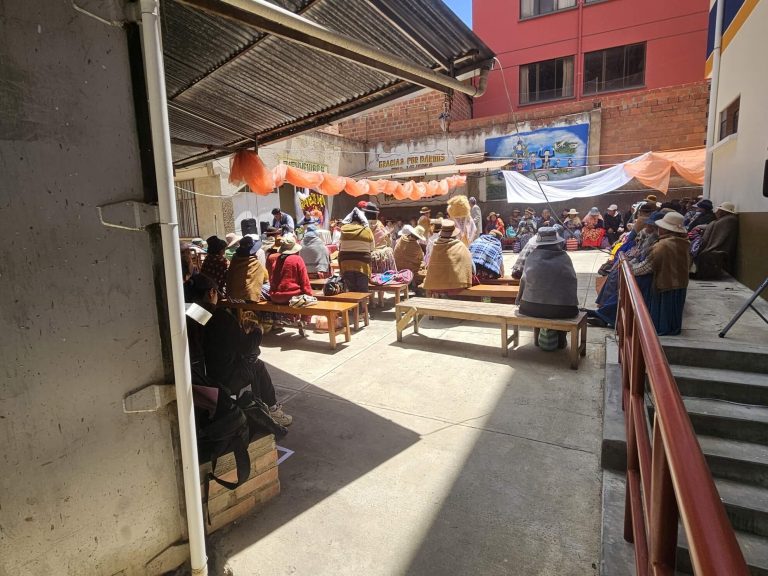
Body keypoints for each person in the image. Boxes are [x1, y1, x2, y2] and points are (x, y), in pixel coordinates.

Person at [186, 274, 292, 426]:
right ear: (211, 293)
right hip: (220, 379)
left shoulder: (191, 313)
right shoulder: (220, 317)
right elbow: (247, 347)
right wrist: (257, 331)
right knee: (257, 365)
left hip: (199, 377)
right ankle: (272, 409)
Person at [516, 227, 579, 349]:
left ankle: (537, 338)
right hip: (563, 309)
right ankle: (561, 338)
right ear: (556, 242)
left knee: (539, 306)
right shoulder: (564, 257)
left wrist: (519, 301)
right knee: (558, 310)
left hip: (531, 308)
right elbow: (572, 281)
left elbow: (524, 280)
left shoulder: (532, 257)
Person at [631, 212, 690, 336]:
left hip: (665, 283)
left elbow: (646, 267)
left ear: (666, 229)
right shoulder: (684, 242)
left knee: (663, 313)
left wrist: (629, 269)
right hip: (680, 283)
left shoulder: (662, 245)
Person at [423, 220, 473, 294]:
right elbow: (470, 265)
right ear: (454, 234)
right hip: (458, 286)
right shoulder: (461, 246)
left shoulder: (436, 246)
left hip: (437, 287)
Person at [693, 201, 739, 279]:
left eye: (719, 210)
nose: (716, 212)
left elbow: (719, 235)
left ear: (724, 212)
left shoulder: (729, 220)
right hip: (712, 245)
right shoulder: (722, 219)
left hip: (719, 247)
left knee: (703, 254)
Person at [338, 206, 375, 293]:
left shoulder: (343, 230)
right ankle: (363, 302)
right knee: (362, 291)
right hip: (362, 264)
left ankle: (353, 302)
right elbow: (372, 248)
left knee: (351, 290)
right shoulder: (367, 231)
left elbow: (340, 246)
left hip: (346, 263)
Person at [268, 233, 313, 304]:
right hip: (293, 297)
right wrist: (309, 294)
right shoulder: (297, 259)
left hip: (275, 297)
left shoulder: (277, 260)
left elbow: (272, 279)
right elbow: (304, 280)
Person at [226, 235, 268, 303]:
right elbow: (266, 278)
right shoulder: (255, 263)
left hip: (232, 295)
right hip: (248, 297)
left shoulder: (234, 259)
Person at [393, 224, 427, 289]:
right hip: (409, 268)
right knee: (424, 270)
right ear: (418, 237)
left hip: (397, 267)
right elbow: (420, 259)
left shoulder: (401, 239)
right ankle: (413, 282)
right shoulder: (416, 247)